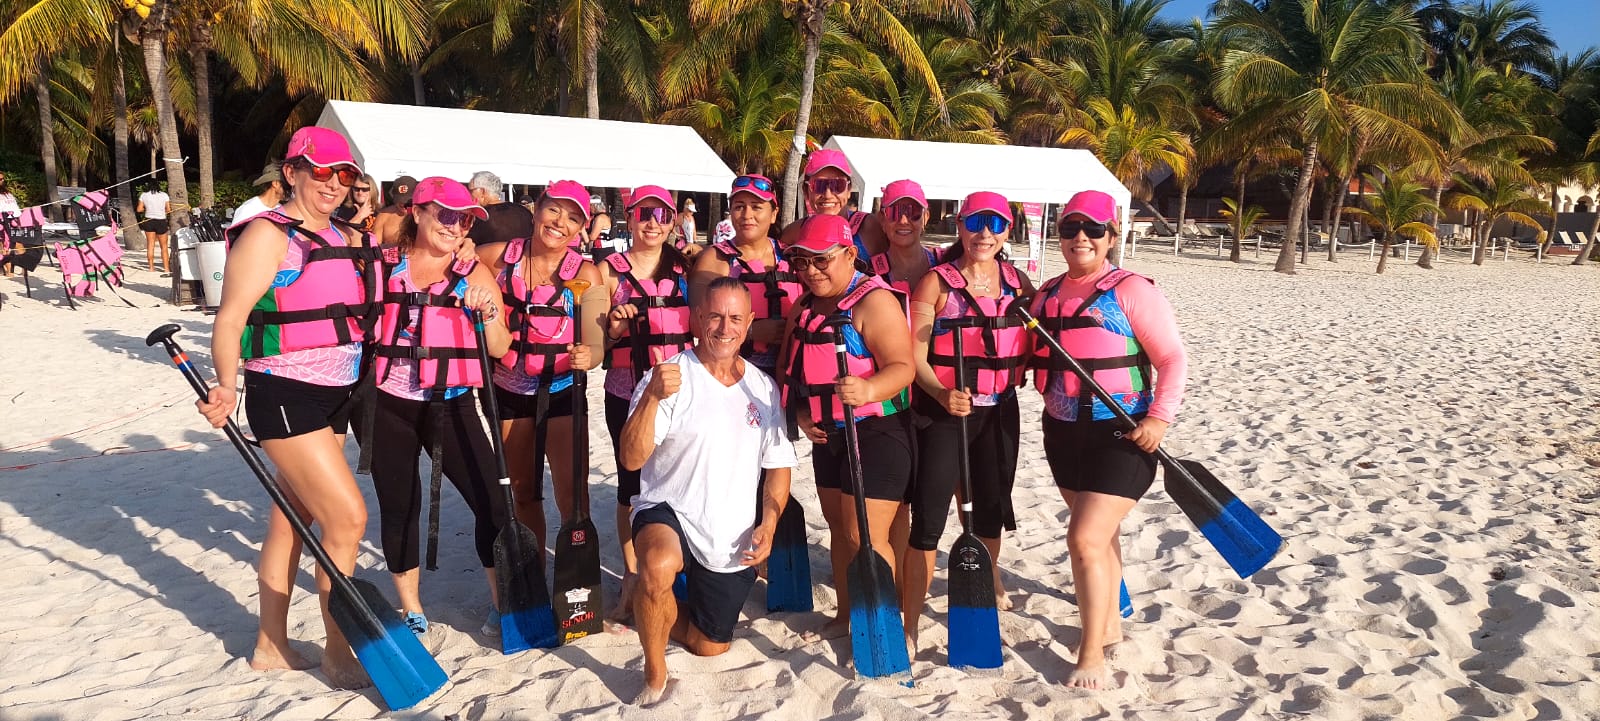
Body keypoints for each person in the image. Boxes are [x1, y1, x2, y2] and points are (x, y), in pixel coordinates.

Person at [193, 126, 379, 689]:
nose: (332, 184)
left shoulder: (350, 234)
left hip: (338, 394)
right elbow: (230, 318)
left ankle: (270, 644)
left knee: (290, 520)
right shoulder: (268, 236)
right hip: (284, 393)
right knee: (347, 518)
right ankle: (339, 651)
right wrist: (227, 384)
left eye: (343, 174)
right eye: (319, 172)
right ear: (291, 172)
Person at [1028, 190, 1186, 689]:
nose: (1081, 237)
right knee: (1101, 538)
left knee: (1084, 538)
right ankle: (1112, 627)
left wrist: (1159, 419)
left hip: (1124, 432)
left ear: (1112, 237)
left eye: (1094, 229)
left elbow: (1172, 360)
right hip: (1063, 431)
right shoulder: (1046, 295)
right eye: (1071, 227)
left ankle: (1091, 652)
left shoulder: (1132, 290)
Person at [617, 276, 797, 707]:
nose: (724, 327)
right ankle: (654, 670)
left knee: (709, 645)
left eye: (735, 317)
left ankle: (651, 609)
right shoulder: (669, 378)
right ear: (697, 318)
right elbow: (630, 458)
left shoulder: (762, 387)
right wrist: (651, 400)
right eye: (714, 316)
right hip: (669, 507)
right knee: (658, 565)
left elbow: (778, 467)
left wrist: (769, 525)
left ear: (750, 322)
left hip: (729, 528)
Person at [365, 177, 512, 642]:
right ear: (418, 212)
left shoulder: (474, 272)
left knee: (492, 501)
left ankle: (501, 600)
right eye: (446, 214)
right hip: (390, 403)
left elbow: (502, 345)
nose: (455, 225)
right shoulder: (384, 266)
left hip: (451, 403)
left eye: (465, 217)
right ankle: (411, 607)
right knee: (399, 504)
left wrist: (486, 311)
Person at [902, 190, 1035, 654]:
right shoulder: (935, 285)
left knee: (990, 510)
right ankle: (911, 623)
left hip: (999, 411)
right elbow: (913, 356)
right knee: (930, 519)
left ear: (1007, 229)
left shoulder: (1020, 284)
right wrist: (939, 391)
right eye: (975, 222)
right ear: (959, 225)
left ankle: (984, 590)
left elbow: (1043, 343)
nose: (984, 233)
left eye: (996, 224)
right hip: (944, 413)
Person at [778, 214, 915, 638]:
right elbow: (791, 370)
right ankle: (845, 616)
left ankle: (883, 626)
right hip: (828, 436)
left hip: (878, 433)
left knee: (866, 536)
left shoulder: (873, 301)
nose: (811, 271)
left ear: (850, 254)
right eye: (801, 262)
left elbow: (903, 367)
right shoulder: (803, 306)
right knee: (840, 529)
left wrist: (870, 388)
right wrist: (801, 412)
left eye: (822, 260)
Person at [476, 179, 607, 553]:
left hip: (563, 389)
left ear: (582, 228)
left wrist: (590, 355)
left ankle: (572, 577)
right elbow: (458, 256)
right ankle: (531, 575)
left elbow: (596, 341)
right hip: (509, 389)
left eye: (572, 218)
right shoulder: (498, 256)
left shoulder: (586, 273)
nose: (559, 223)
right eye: (553, 209)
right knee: (523, 493)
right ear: (537, 209)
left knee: (572, 495)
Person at [597, 185, 694, 628]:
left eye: (661, 214)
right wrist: (615, 328)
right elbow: (594, 344)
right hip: (626, 391)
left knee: (680, 478)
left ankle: (678, 568)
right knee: (630, 487)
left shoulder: (689, 270)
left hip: (680, 393)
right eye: (643, 213)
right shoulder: (607, 273)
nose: (652, 222)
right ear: (629, 218)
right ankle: (631, 577)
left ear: (673, 221)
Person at [689, 175, 802, 378]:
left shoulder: (793, 258)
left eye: (757, 206)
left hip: (790, 374)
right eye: (739, 206)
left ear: (774, 213)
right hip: (734, 375)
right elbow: (697, 325)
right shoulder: (715, 259)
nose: (746, 214)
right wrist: (751, 332)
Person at [779, 149, 887, 258]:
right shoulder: (793, 234)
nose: (828, 195)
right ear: (806, 191)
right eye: (818, 185)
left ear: (849, 190)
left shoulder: (871, 227)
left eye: (837, 185)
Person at [869, 179, 939, 297]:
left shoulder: (944, 261)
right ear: (882, 219)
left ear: (926, 218)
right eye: (894, 212)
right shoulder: (869, 272)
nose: (903, 221)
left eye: (913, 212)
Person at [231, 162, 286, 229]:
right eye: (287, 185)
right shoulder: (248, 209)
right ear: (276, 183)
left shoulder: (282, 210)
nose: (292, 188)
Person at [372, 175, 417, 245]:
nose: (403, 204)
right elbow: (375, 248)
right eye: (400, 200)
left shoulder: (424, 215)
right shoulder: (383, 216)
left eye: (408, 201)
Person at [137, 182, 172, 274]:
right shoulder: (164, 195)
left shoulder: (144, 195)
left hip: (149, 220)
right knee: (164, 247)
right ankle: (166, 269)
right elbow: (168, 210)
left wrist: (146, 208)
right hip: (161, 221)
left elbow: (139, 209)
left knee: (150, 245)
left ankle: (151, 268)